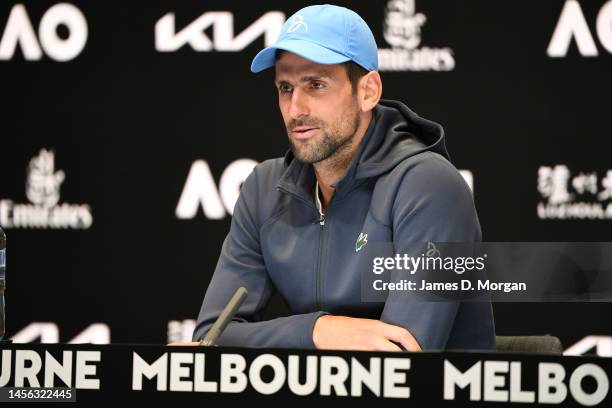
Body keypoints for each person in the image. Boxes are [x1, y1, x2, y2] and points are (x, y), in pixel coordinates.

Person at [189, 4, 495, 351]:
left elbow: (403, 355)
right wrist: (320, 330)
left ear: (368, 91)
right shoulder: (264, 188)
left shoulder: (429, 185)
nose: (295, 110)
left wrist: (296, 337)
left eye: (315, 85)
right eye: (285, 88)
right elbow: (211, 338)